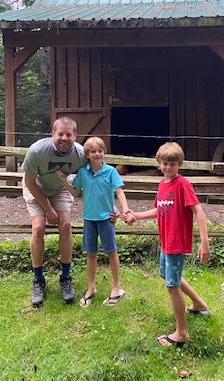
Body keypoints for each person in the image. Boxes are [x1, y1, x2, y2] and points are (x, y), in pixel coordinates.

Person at [124, 142, 211, 347]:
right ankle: (199, 303)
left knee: (172, 285)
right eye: (164, 163)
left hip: (176, 243)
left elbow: (198, 211)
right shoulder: (163, 184)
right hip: (166, 240)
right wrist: (137, 216)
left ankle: (182, 332)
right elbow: (159, 210)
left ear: (179, 164)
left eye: (172, 163)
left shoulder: (183, 185)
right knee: (168, 276)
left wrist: (204, 242)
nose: (168, 167)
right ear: (159, 164)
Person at [57, 137, 129, 308]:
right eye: (93, 151)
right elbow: (75, 193)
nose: (97, 154)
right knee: (91, 253)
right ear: (87, 155)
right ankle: (91, 287)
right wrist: (63, 181)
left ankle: (116, 287)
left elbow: (119, 191)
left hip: (106, 219)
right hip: (89, 219)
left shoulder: (111, 171)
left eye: (100, 151)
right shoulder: (83, 172)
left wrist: (125, 209)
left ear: (104, 152)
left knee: (111, 251)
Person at [22, 117, 87, 307]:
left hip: (60, 188)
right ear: (53, 134)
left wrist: (108, 205)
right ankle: (38, 280)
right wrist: (48, 208)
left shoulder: (81, 154)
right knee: (38, 228)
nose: (64, 138)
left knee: (65, 225)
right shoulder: (37, 151)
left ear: (75, 136)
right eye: (60, 134)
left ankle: (66, 277)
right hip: (36, 187)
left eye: (69, 134)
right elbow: (29, 182)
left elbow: (95, 177)